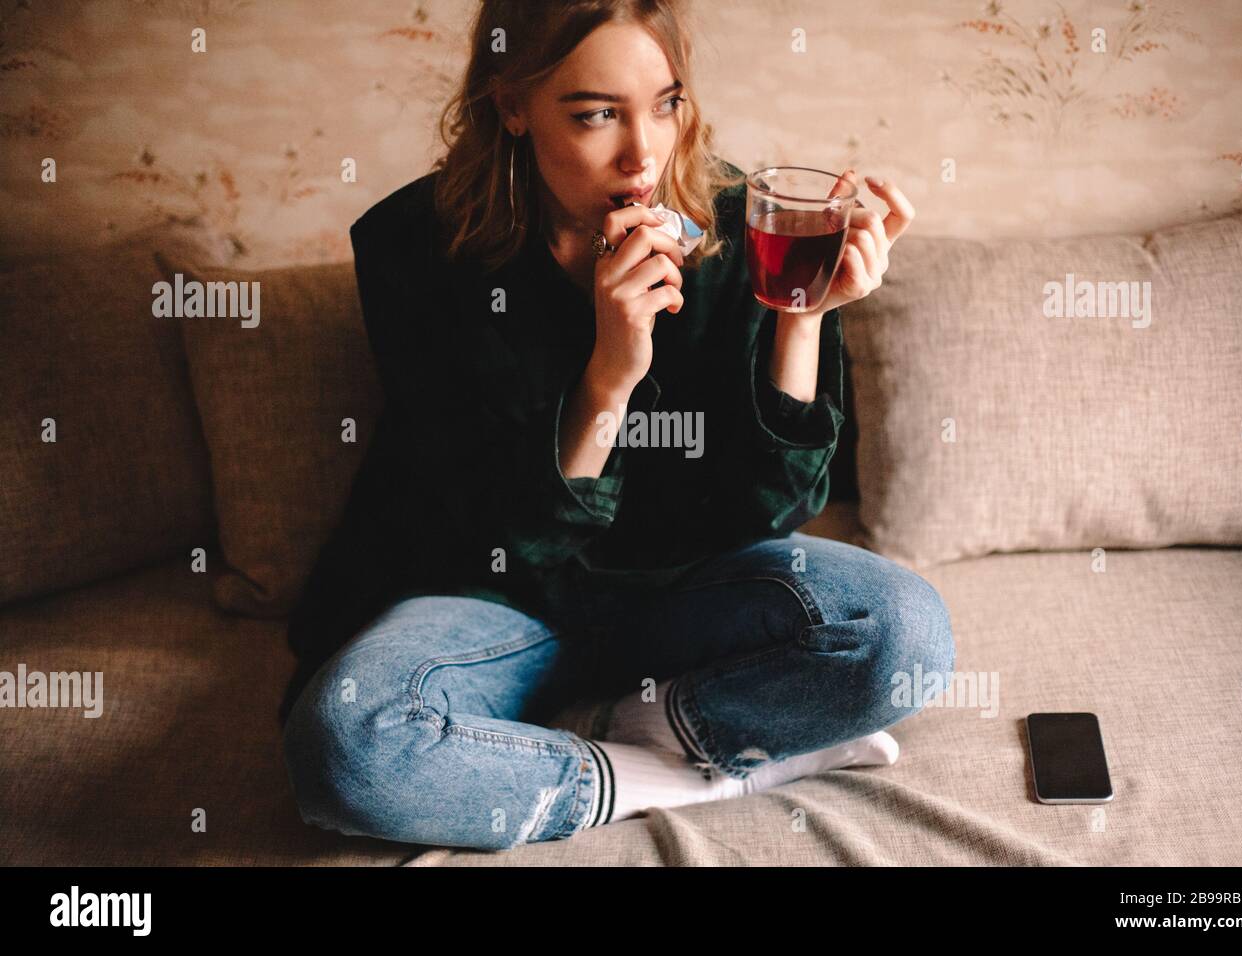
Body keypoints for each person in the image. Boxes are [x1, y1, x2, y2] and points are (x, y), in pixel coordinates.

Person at [280, 0, 954, 851]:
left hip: (683, 598)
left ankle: (637, 720)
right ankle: (668, 769)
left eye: (666, 104)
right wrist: (609, 375)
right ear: (511, 104)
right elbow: (489, 533)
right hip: (492, 603)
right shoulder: (417, 247)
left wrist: (802, 315)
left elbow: (768, 518)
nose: (644, 154)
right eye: (597, 114)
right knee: (348, 746)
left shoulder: (747, 221)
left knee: (904, 633)